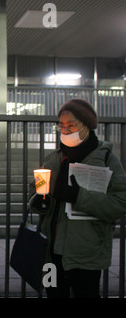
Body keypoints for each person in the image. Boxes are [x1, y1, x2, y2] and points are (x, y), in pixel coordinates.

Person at [28, 98, 126, 298]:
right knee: (54, 294)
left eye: (71, 125)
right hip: (51, 252)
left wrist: (79, 196)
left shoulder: (106, 160)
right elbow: (36, 192)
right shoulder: (53, 158)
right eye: (61, 125)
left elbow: (120, 203)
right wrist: (37, 201)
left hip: (86, 252)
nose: (65, 130)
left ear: (87, 126)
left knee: (86, 294)